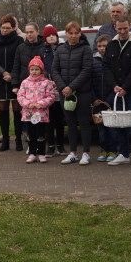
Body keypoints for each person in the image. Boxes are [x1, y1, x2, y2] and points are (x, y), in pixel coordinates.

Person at [103, 17, 131, 167]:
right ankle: (123, 153)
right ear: (115, 27)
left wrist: (126, 87)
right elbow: (106, 67)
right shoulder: (111, 45)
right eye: (119, 29)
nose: (122, 32)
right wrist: (114, 85)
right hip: (116, 90)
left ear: (130, 26)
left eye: (125, 29)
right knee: (119, 122)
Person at [53, 21, 95, 165]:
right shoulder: (60, 50)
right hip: (64, 93)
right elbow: (54, 70)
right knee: (70, 124)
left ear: (80, 34)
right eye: (70, 33)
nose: (73, 36)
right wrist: (63, 87)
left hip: (82, 92)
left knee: (83, 122)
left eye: (76, 33)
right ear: (66, 34)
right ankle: (72, 153)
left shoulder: (86, 49)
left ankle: (86, 153)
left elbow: (86, 70)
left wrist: (72, 87)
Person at [0, 14, 23, 150]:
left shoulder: (19, 41)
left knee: (16, 111)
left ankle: (19, 139)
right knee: (3, 111)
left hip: (15, 80)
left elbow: (19, 60)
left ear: (13, 28)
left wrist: (12, 75)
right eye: (2, 28)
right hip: (0, 79)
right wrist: (3, 72)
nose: (4, 30)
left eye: (7, 28)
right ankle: (6, 140)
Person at [12, 22, 45, 152]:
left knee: (40, 119)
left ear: (37, 32)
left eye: (32, 32)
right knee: (28, 118)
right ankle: (31, 145)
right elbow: (16, 67)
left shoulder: (43, 47)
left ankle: (40, 144)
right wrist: (15, 85)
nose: (29, 34)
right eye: (27, 32)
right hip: (26, 89)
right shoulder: (20, 48)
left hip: (41, 89)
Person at [16, 57, 57, 163]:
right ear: (29, 70)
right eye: (32, 69)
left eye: (37, 69)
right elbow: (20, 96)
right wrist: (27, 104)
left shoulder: (46, 83)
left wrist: (41, 104)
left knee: (41, 134)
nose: (34, 71)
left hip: (41, 113)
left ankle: (41, 153)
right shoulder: (25, 82)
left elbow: (51, 96)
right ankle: (32, 153)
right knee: (31, 134)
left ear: (41, 71)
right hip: (29, 113)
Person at [38, 24, 65, 156]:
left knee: (60, 119)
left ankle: (60, 145)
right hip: (47, 88)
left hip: (60, 86)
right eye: (48, 36)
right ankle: (51, 145)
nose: (51, 37)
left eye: (53, 35)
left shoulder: (63, 49)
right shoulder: (42, 52)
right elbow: (41, 69)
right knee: (49, 119)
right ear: (45, 38)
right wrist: (47, 80)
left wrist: (59, 81)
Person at [91, 33, 118, 163]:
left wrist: (110, 98)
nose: (102, 48)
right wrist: (93, 98)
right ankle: (103, 149)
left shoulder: (114, 60)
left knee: (112, 128)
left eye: (105, 46)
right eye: (99, 46)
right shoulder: (92, 61)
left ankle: (113, 150)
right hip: (97, 101)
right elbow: (89, 82)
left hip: (110, 100)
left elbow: (117, 81)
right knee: (101, 128)